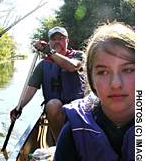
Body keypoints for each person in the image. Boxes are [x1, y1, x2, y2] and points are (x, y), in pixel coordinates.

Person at [54, 22, 135, 161]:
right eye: (103, 72)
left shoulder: (76, 56)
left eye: (128, 70)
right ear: (91, 79)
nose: (115, 84)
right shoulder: (72, 133)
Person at [10, 26, 86, 141]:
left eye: (61, 38)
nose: (57, 41)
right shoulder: (43, 65)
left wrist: (49, 51)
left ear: (67, 41)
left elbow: (72, 66)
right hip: (56, 111)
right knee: (53, 104)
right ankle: (59, 144)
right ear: (49, 42)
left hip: (79, 108)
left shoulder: (78, 56)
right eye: (54, 39)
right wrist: (19, 107)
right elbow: (31, 88)